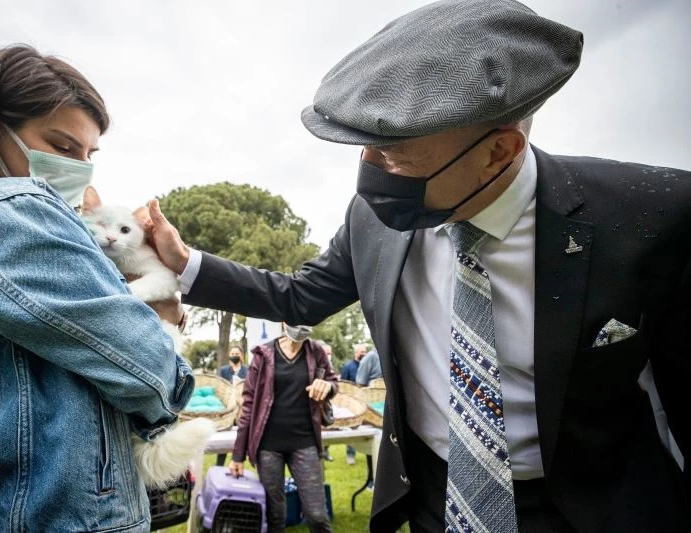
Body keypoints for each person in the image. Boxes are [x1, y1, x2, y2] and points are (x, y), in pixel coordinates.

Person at [147, 1, 690, 531]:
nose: (369, 173)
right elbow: (298, 297)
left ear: (500, 150)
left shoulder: (654, 216)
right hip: (436, 502)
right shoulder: (373, 219)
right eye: (364, 148)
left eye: (394, 153)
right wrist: (183, 263)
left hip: (591, 508)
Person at [0, 45, 193, 532]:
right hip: (38, 513)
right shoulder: (11, 208)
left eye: (89, 153)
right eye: (62, 146)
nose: (79, 167)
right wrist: (168, 326)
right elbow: (150, 372)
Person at [229, 324, 338, 533]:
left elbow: (333, 381)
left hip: (305, 441)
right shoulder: (262, 354)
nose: (299, 325)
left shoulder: (316, 351)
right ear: (283, 322)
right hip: (268, 445)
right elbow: (249, 405)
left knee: (317, 515)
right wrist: (237, 455)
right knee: (275, 515)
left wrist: (328, 387)